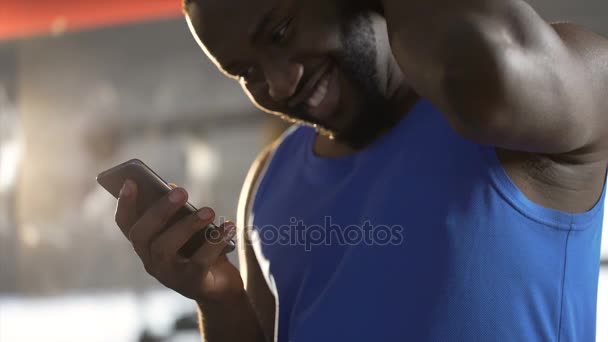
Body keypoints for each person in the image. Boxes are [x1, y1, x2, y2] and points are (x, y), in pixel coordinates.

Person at [114, 0, 608, 340]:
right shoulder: (267, 183)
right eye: (247, 72)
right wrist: (217, 299)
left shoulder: (555, 81)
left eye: (281, 31)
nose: (280, 84)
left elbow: (491, 78)